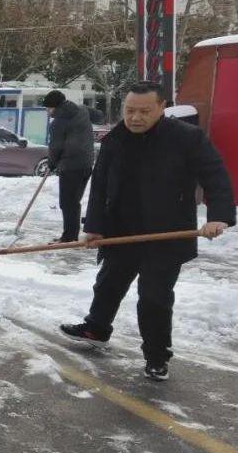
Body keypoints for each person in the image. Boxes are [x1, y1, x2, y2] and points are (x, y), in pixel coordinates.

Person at [60, 81, 234, 381]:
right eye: (129, 110)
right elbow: (100, 185)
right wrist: (95, 227)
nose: (135, 117)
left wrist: (219, 216)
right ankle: (96, 329)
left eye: (144, 111)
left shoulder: (186, 138)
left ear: (162, 107)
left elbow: (215, 175)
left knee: (154, 298)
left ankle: (156, 356)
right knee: (108, 284)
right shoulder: (116, 139)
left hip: (166, 234)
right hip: (121, 230)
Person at [43, 90, 96, 242]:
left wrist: (51, 164)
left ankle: (69, 237)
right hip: (86, 163)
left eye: (48, 108)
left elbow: (56, 147)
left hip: (70, 166)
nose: (47, 111)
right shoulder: (82, 110)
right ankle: (71, 235)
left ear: (54, 106)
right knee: (73, 202)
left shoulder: (58, 123)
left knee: (67, 203)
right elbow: (99, 116)